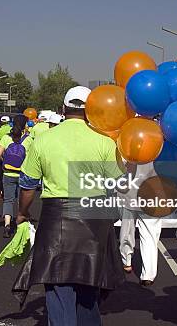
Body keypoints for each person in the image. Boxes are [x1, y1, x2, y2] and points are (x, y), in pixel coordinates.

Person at [13, 86, 124, 324]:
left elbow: (28, 185)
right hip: (95, 219)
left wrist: (22, 213)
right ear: (91, 110)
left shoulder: (43, 141)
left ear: (63, 109)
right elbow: (119, 184)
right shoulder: (104, 142)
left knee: (59, 285)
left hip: (57, 220)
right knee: (88, 289)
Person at [118, 162, 163, 286]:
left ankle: (126, 260)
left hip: (129, 194)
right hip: (151, 195)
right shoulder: (161, 146)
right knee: (149, 236)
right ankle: (148, 274)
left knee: (126, 231)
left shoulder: (125, 146)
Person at [0, 114, 31, 238]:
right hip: (22, 174)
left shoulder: (6, 138)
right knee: (22, 201)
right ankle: (20, 225)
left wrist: (6, 161)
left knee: (8, 200)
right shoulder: (28, 139)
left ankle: (7, 225)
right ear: (23, 125)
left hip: (8, 173)